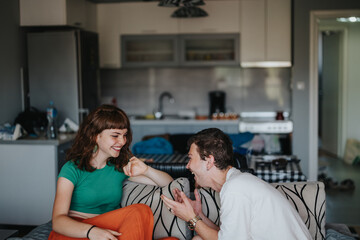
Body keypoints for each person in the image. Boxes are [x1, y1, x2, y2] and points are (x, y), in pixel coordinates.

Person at [49, 104, 175, 240]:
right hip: (77, 232)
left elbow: (169, 184)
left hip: (108, 232)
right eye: (115, 135)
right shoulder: (72, 168)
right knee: (139, 211)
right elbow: (58, 221)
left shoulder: (119, 167)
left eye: (124, 135)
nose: (122, 141)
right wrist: (93, 231)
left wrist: (147, 170)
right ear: (95, 136)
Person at [161, 128, 312, 240]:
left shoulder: (235, 188)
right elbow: (227, 236)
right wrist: (198, 215)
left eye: (190, 158)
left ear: (208, 161)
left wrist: (190, 218)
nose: (187, 166)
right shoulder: (237, 183)